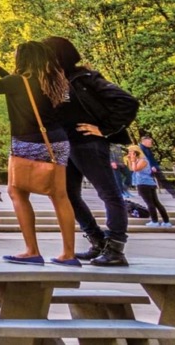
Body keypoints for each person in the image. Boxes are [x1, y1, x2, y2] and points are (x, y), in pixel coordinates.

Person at [0, 43, 79, 265]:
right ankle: (69, 254)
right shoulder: (58, 82)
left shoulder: (17, 82)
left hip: (27, 140)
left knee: (17, 191)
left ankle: (32, 250)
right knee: (60, 196)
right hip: (57, 140)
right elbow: (27, 93)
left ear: (23, 59)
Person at [47, 37, 138, 266]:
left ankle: (116, 248)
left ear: (58, 55)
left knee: (108, 193)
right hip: (66, 145)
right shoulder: (55, 82)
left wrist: (105, 129)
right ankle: (97, 240)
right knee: (66, 194)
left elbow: (127, 101)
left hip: (87, 144)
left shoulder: (85, 78)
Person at [128, 145, 173, 228]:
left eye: (130, 152)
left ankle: (155, 221)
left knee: (151, 203)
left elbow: (135, 169)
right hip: (146, 183)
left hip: (144, 183)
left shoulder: (143, 160)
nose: (129, 153)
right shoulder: (139, 160)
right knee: (155, 202)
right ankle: (165, 221)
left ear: (135, 152)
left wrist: (133, 160)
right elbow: (131, 168)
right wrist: (130, 160)